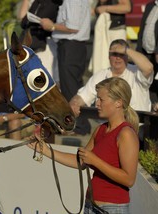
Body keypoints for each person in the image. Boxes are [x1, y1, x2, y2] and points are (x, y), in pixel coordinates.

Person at [27, 77, 140, 214]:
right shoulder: (101, 130)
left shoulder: (126, 134)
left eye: (101, 99)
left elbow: (129, 179)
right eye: (96, 98)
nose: (96, 103)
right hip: (91, 211)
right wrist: (46, 150)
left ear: (118, 102)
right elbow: (81, 162)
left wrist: (96, 161)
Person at [39, 0, 91, 134]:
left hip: (71, 45)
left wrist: (51, 26)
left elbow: (73, 26)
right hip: (73, 46)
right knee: (73, 85)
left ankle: (78, 126)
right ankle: (79, 125)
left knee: (70, 86)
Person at [70, 39, 154, 117]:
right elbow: (82, 97)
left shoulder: (136, 72)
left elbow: (149, 68)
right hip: (107, 127)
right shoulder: (100, 75)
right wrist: (75, 103)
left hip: (136, 127)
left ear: (127, 56)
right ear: (108, 56)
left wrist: (126, 50)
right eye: (114, 54)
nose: (118, 58)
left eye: (121, 54)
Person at [17, 0, 63, 83]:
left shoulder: (56, 3)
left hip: (47, 43)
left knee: (47, 78)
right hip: (31, 43)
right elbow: (22, 18)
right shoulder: (37, 2)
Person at [89, 0, 132, 73]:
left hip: (115, 31)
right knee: (101, 60)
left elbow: (127, 7)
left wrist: (106, 8)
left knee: (117, 60)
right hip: (103, 32)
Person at [136, 0, 158, 110]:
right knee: (146, 85)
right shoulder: (150, 5)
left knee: (156, 85)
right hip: (145, 53)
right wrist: (138, 51)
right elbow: (142, 29)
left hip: (156, 54)